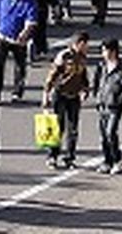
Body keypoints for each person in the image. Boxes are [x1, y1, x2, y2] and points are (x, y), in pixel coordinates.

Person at [41, 31, 90, 170]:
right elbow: (52, 75)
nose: (87, 47)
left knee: (73, 129)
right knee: (57, 127)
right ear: (78, 43)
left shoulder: (82, 58)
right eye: (85, 44)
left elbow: (83, 76)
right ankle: (52, 156)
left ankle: (70, 157)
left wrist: (85, 90)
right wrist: (46, 93)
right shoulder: (64, 56)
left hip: (74, 96)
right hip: (60, 94)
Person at [0, 0, 38, 102]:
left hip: (18, 39)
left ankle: (17, 92)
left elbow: (31, 20)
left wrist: (24, 34)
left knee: (20, 66)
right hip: (2, 36)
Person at [93, 38, 122, 174]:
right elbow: (97, 82)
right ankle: (107, 161)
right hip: (102, 104)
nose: (103, 53)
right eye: (103, 50)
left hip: (115, 106)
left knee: (111, 132)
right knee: (104, 135)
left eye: (106, 50)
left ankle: (117, 160)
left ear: (114, 51)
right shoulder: (101, 66)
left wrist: (119, 100)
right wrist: (96, 97)